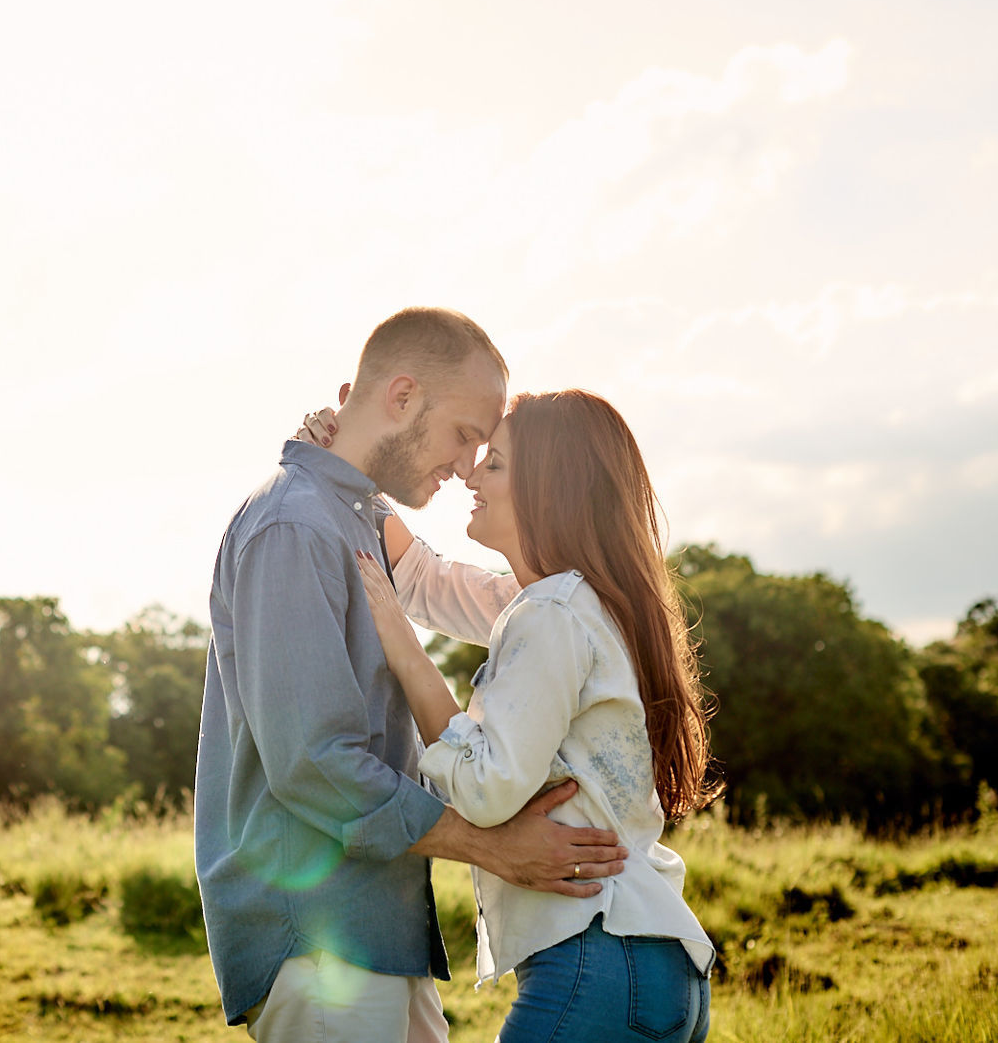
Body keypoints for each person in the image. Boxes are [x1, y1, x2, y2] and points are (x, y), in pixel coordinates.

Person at [197, 308, 633, 1043]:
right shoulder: (295, 524)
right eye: (466, 435)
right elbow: (313, 762)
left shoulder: (352, 520)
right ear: (401, 397)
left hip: (381, 927)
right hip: (317, 937)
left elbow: (448, 585)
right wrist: (487, 843)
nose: (469, 465)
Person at [301, 388, 719, 1043]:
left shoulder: (551, 613)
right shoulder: (577, 605)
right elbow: (423, 581)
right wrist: (355, 472)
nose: (470, 473)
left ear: (550, 491)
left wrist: (405, 650)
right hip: (655, 964)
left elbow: (487, 789)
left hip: (596, 957)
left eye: (493, 465)